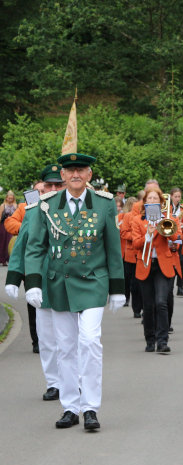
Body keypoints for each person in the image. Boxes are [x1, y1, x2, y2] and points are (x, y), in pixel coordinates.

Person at [24, 152, 126, 430]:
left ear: (89, 175)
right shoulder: (47, 204)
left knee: (90, 342)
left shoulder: (104, 204)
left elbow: (113, 247)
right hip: (60, 283)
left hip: (93, 281)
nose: (75, 175)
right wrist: (33, 282)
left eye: (81, 170)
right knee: (66, 348)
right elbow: (35, 246)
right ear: (64, 175)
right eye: (70, 171)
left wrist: (118, 287)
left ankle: (90, 407)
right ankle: (70, 406)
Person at [5, 164, 65, 398]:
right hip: (43, 283)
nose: (52, 189)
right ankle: (54, 382)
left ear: (63, 185)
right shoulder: (32, 212)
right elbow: (21, 247)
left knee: (72, 339)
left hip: (72, 283)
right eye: (47, 186)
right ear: (40, 190)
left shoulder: (75, 209)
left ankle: (75, 379)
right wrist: (14, 278)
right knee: (47, 337)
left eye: (56, 185)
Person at [132, 186, 182, 353]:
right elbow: (136, 244)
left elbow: (176, 237)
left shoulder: (168, 218)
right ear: (144, 202)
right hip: (146, 263)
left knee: (161, 302)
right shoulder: (138, 221)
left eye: (155, 199)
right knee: (148, 305)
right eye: (149, 199)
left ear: (161, 203)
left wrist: (163, 227)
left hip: (163, 265)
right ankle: (150, 339)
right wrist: (148, 234)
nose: (152, 201)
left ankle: (162, 341)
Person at [119, 197, 142, 318]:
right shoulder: (128, 216)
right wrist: (136, 237)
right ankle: (136, 309)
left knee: (142, 284)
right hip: (131, 255)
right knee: (133, 283)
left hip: (143, 254)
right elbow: (123, 233)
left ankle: (143, 308)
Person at [0, 190, 18, 265]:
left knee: (10, 242)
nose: (10, 199)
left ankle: (10, 258)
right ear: (6, 198)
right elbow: (0, 216)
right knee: (3, 242)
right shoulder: (3, 205)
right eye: (9, 198)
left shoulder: (16, 205)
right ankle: (2, 259)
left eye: (11, 198)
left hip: (12, 225)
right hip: (3, 225)